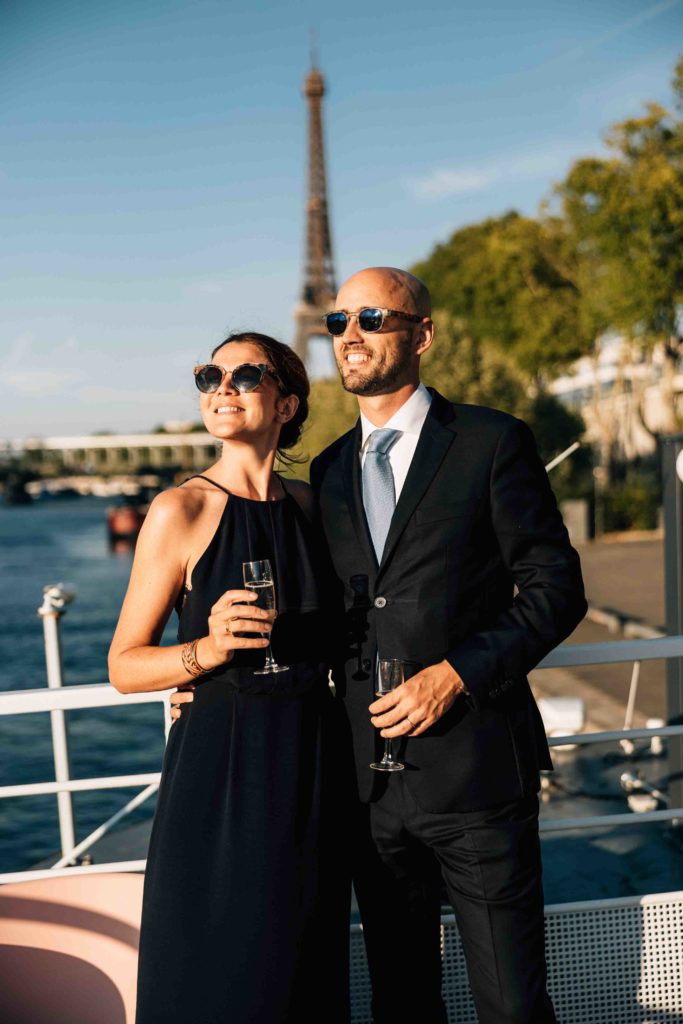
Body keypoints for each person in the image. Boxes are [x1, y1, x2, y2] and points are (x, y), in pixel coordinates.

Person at [172, 268, 587, 1024]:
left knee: (512, 1003)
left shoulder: (491, 441)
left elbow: (555, 590)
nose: (350, 335)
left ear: (421, 334)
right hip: (363, 788)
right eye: (338, 322)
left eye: (372, 318)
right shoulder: (324, 473)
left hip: (476, 772)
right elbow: (323, 615)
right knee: (399, 1001)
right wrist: (203, 668)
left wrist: (456, 674)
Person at [109, 332, 350, 1024]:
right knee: (221, 975)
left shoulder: (313, 508)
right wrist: (205, 652)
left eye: (245, 375)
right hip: (222, 773)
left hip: (311, 763)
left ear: (287, 404)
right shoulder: (179, 510)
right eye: (209, 376)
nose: (222, 388)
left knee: (302, 974)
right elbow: (124, 665)